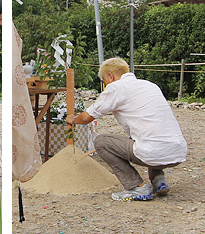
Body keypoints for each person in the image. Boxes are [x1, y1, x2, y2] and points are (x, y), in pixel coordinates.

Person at [66, 57, 187, 201]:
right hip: (177, 152)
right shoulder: (150, 85)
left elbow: (87, 118)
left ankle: (137, 187)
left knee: (102, 142)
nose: (105, 85)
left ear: (110, 76)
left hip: (154, 153)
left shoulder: (116, 87)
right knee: (146, 134)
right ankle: (158, 179)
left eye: (104, 81)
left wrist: (73, 119)